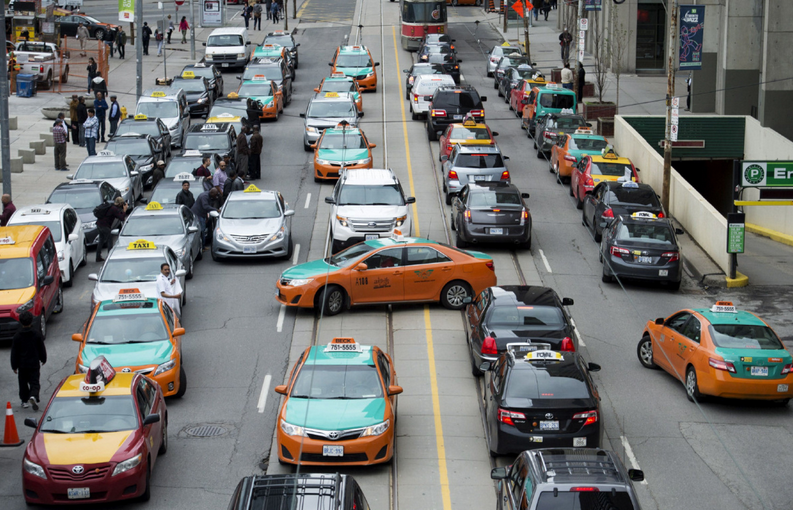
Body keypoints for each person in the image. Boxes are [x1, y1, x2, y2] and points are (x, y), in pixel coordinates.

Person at [10, 311, 46, 411]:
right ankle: (33, 396)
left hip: (22, 365)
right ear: (31, 320)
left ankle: (24, 400)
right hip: (34, 363)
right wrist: (43, 358)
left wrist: (14, 366)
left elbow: (14, 352)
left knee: (23, 382)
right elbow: (41, 348)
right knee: (34, 382)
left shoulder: (17, 336)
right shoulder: (36, 334)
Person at [96, 197, 128, 262]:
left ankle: (98, 256)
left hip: (99, 224)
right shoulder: (114, 209)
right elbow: (121, 218)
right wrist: (124, 210)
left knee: (101, 240)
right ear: (120, 204)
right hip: (105, 226)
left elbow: (117, 215)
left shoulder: (111, 206)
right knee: (109, 240)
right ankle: (110, 256)